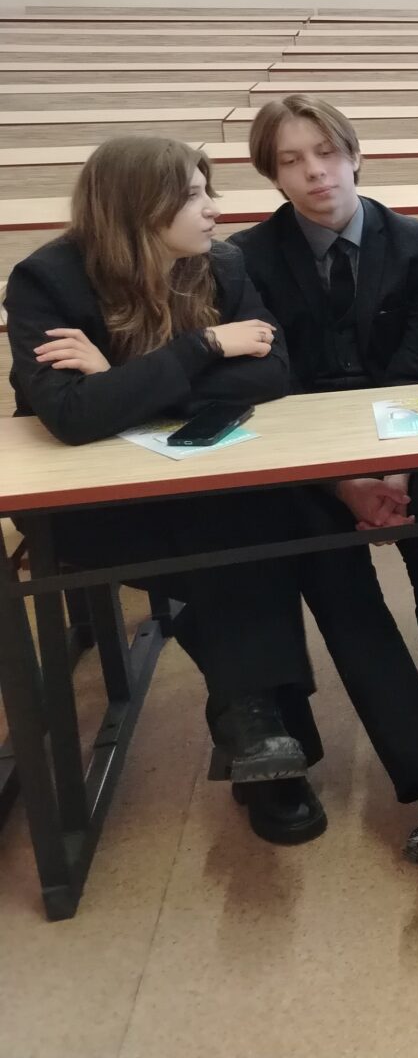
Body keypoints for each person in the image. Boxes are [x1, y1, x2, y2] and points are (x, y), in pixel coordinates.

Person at [8, 138, 328, 845]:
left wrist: (122, 380)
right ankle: (268, 736)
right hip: (97, 507)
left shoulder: (221, 264)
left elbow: (273, 373)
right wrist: (202, 348)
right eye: (191, 195)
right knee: (244, 547)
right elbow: (72, 415)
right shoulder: (47, 281)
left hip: (196, 487)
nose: (213, 208)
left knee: (248, 520)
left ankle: (256, 731)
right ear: (137, 208)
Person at [233, 95, 418, 868]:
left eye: (326, 152)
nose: (314, 172)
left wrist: (392, 466)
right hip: (311, 457)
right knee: (336, 579)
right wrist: (344, 482)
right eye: (291, 161)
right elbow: (276, 384)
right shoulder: (247, 259)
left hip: (413, 438)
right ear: (272, 174)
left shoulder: (417, 243)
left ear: (355, 155)